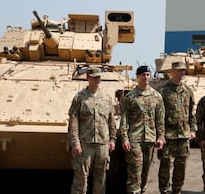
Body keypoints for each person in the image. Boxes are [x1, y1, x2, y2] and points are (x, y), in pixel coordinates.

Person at [68, 66, 117, 194]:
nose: (97, 79)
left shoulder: (107, 98)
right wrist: (75, 143)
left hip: (102, 144)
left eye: (98, 77)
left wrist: (112, 139)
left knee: (100, 181)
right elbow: (73, 122)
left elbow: (111, 120)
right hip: (85, 144)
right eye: (94, 77)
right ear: (87, 78)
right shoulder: (80, 98)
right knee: (80, 181)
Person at [120, 65, 165, 194]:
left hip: (150, 139)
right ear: (137, 77)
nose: (146, 77)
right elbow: (124, 119)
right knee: (135, 171)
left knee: (145, 171)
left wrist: (161, 137)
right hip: (135, 139)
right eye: (143, 75)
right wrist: (124, 138)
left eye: (147, 75)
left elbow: (160, 119)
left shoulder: (157, 96)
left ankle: (142, 190)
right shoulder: (130, 97)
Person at [157, 61, 197, 194]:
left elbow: (191, 112)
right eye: (179, 70)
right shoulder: (163, 91)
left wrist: (192, 129)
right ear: (172, 72)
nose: (181, 73)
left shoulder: (188, 91)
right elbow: (158, 115)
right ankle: (164, 190)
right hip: (168, 135)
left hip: (183, 135)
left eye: (183, 71)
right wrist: (160, 134)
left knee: (181, 165)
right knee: (165, 164)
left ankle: (177, 190)